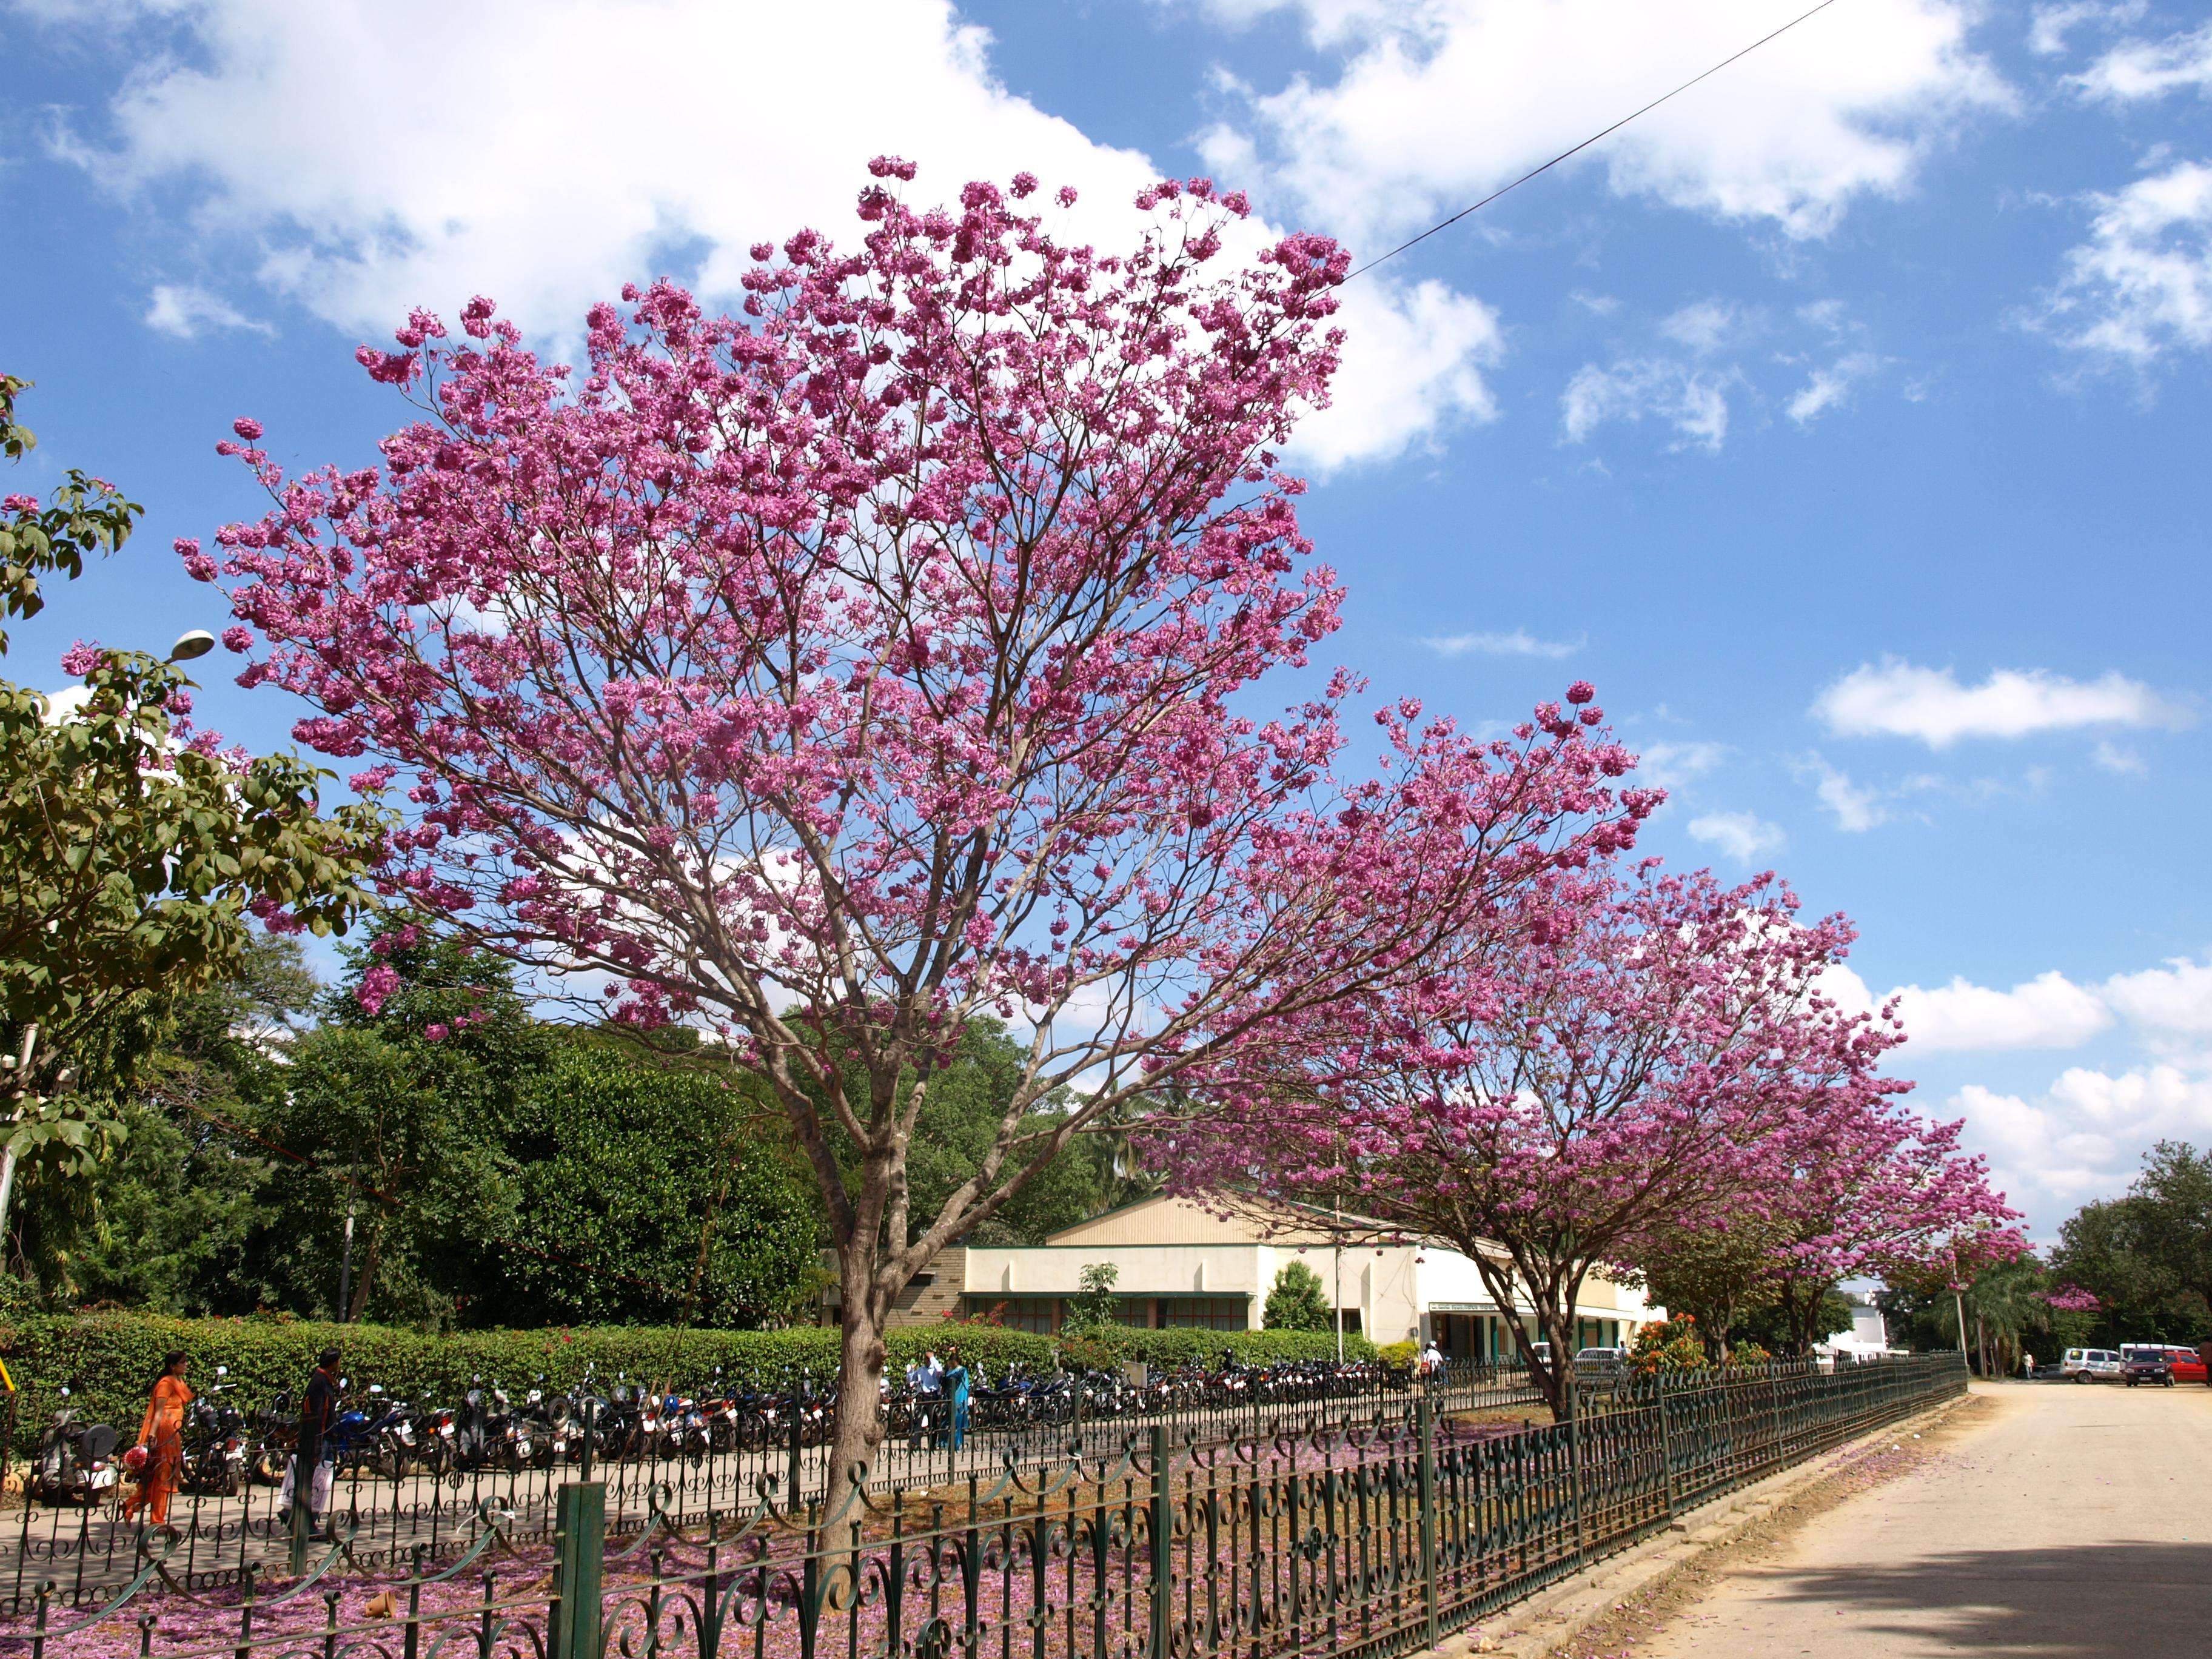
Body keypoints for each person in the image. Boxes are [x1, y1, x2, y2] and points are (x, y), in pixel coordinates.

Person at [124, 1350, 192, 1527]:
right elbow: (158, 1412)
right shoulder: (165, 1384)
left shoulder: (179, 1381)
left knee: (160, 1476)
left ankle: (131, 1505)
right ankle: (157, 1520)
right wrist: (152, 1435)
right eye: (183, 1362)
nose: (186, 1365)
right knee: (162, 1476)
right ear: (172, 1366)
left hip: (173, 1431)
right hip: (164, 1431)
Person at [282, 1347, 342, 1532]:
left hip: (322, 1436)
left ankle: (293, 1514)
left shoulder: (323, 1380)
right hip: (320, 1438)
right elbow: (317, 1415)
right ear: (333, 1363)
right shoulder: (320, 1383)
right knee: (318, 1480)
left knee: (318, 1478)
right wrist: (318, 1442)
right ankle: (305, 1521)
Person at [945, 1356, 971, 1453]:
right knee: (949, 1422)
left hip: (959, 1399)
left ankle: (958, 1444)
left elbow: (955, 1378)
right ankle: (948, 1443)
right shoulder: (949, 1371)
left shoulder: (962, 1370)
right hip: (950, 1399)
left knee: (958, 1422)